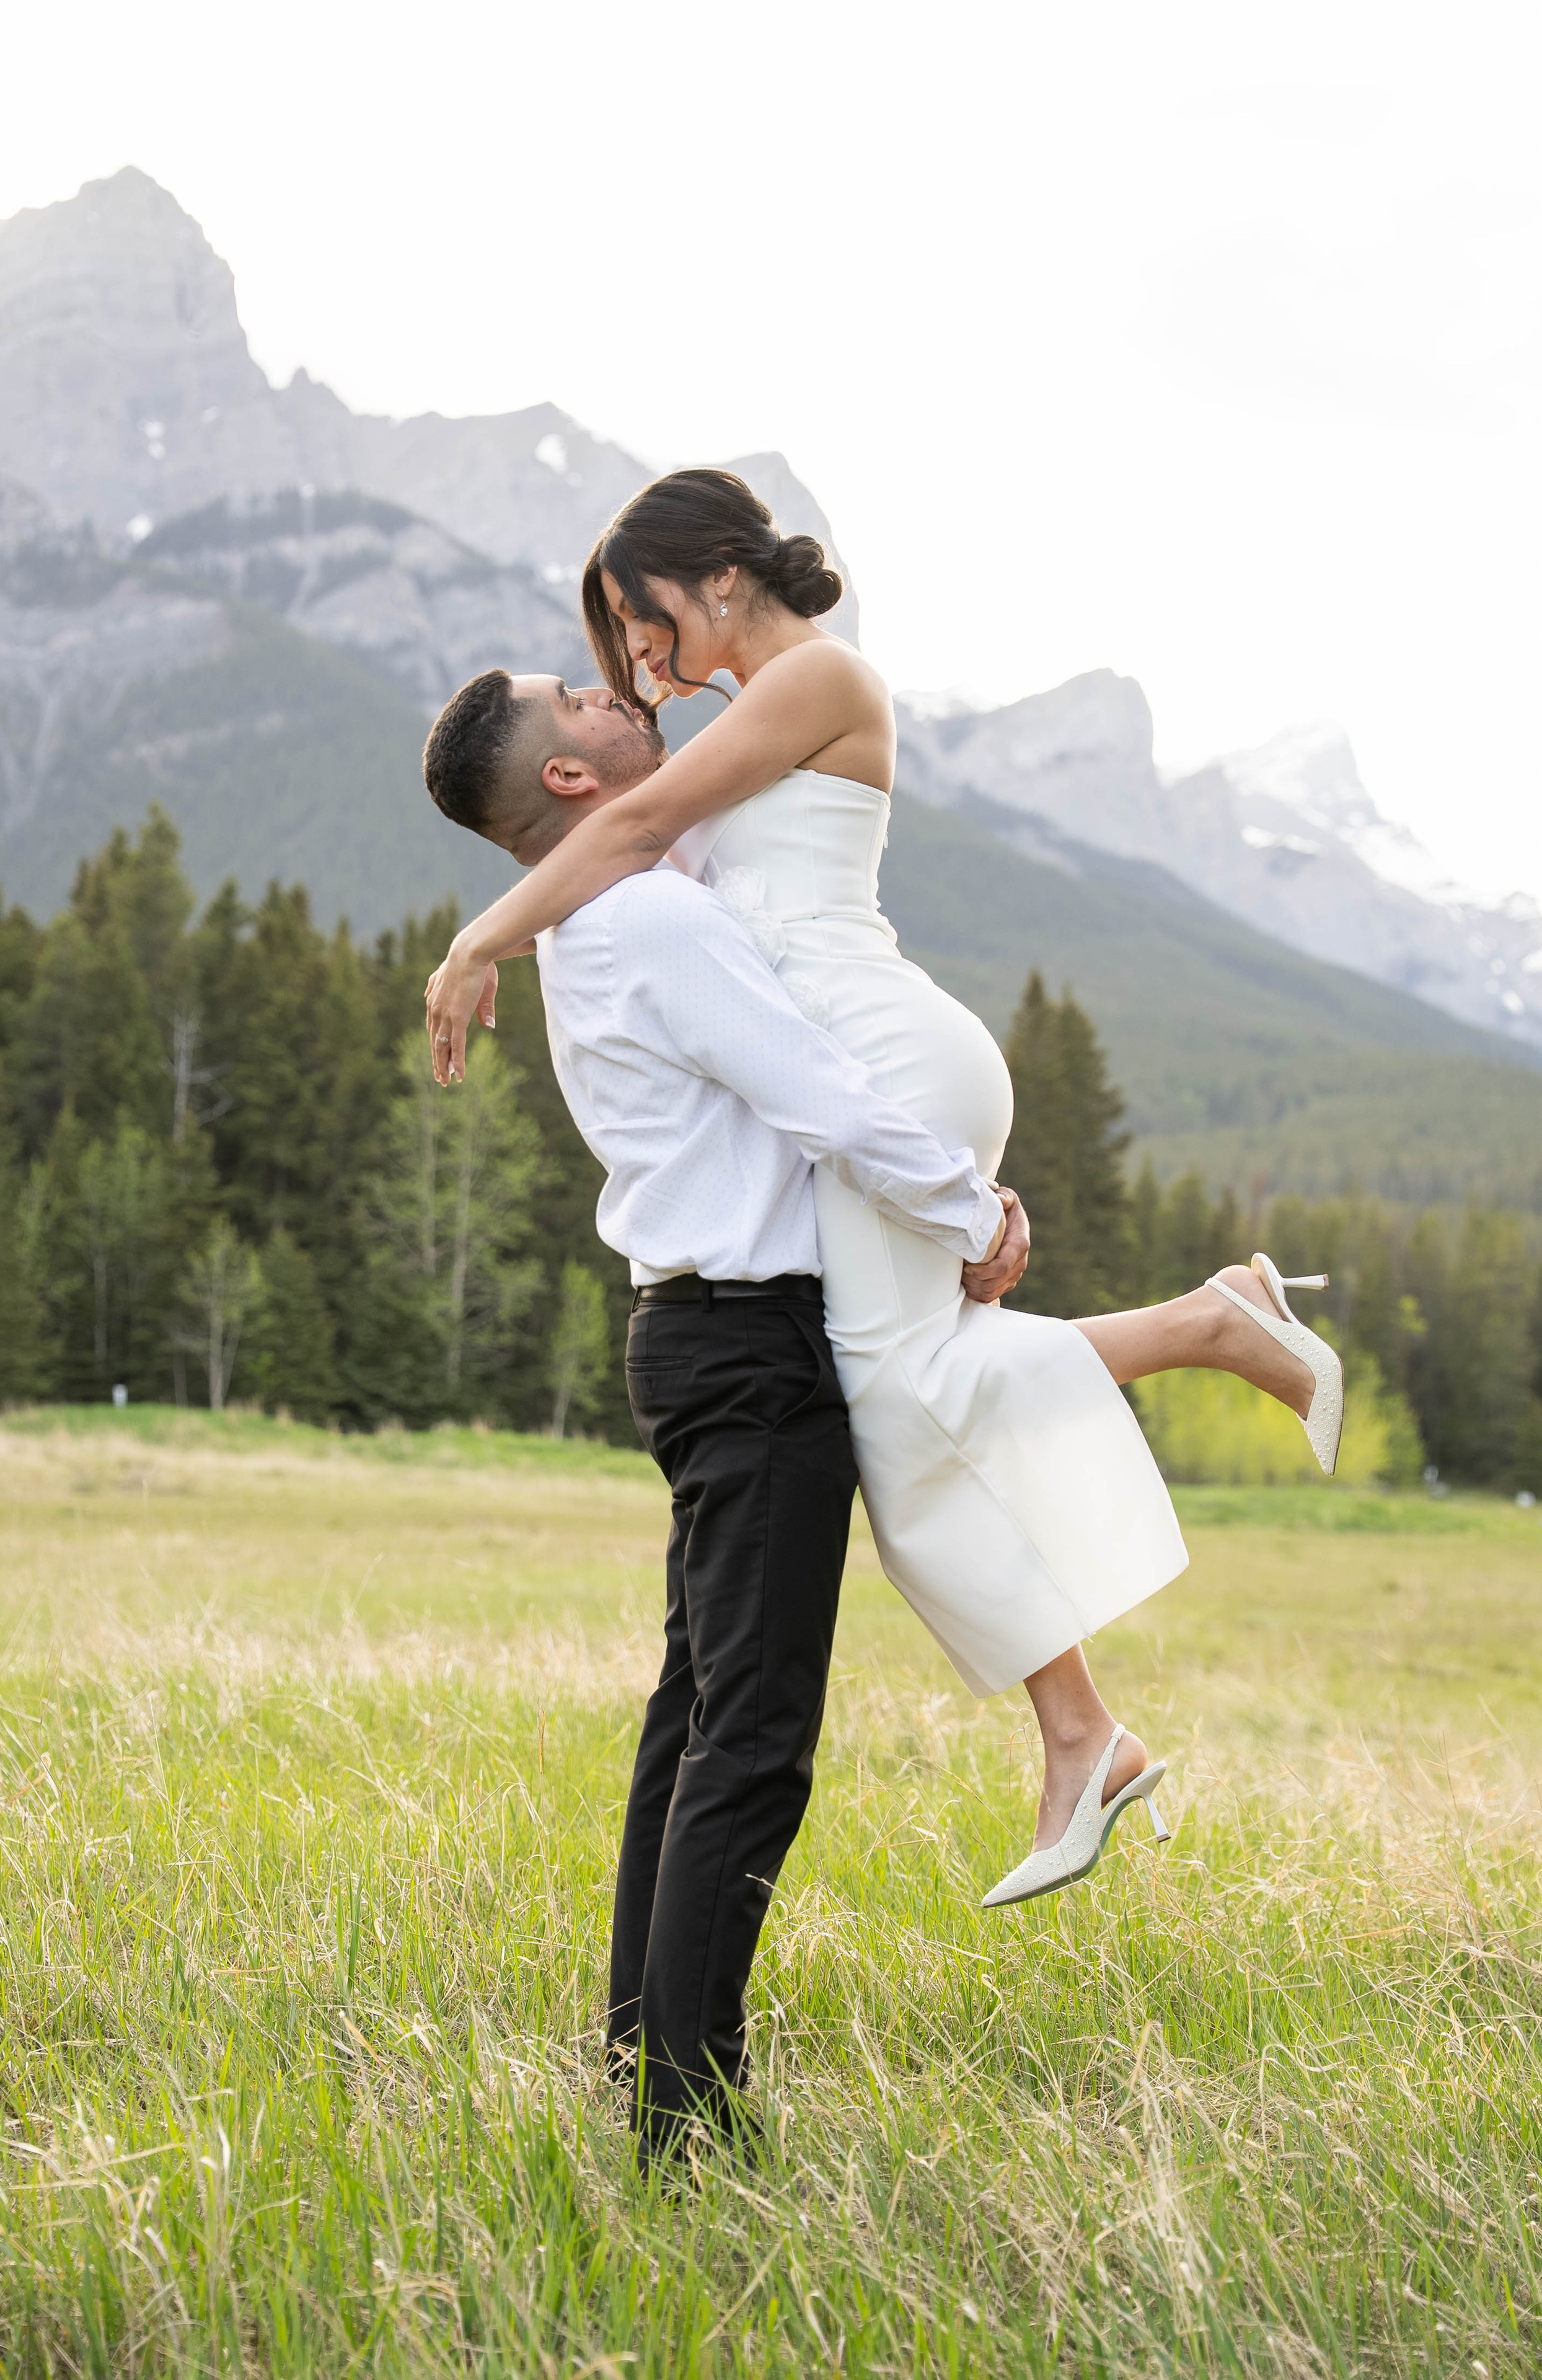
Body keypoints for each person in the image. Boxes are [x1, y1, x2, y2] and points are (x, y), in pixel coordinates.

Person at [421, 470, 1342, 1911]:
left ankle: (1196, 1383)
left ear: (716, 576)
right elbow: (619, 857)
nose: (639, 658)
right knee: (902, 1405)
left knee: (902, 1398)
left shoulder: (814, 677)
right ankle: (1084, 1711)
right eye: (612, 640)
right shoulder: (743, 718)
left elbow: (609, 833)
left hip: (877, 1063)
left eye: (640, 617)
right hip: (865, 1065)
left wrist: (474, 939)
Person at [427, 678, 1026, 2154]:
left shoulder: (603, 913)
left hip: (698, 1335)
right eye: (580, 695)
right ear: (572, 777)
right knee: (750, 1735)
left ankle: (643, 2059)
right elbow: (817, 1088)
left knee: (694, 1714)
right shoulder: (645, 921)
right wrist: (969, 1208)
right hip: (747, 1348)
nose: (615, 690)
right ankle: (684, 2118)